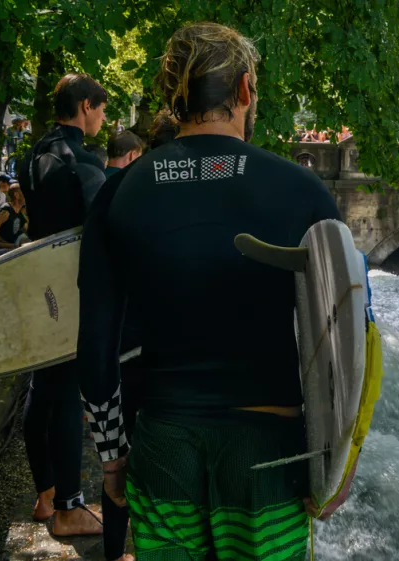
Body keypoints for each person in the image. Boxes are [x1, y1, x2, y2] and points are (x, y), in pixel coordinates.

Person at [77, 23, 347, 560]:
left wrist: (112, 458)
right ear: (245, 89)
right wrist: (339, 461)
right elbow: (343, 339)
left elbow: (95, 345)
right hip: (266, 456)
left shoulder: (120, 192)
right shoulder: (301, 192)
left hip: (164, 446)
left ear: (174, 98)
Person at [16, 73, 109, 538]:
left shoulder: (31, 154)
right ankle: (71, 509)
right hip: (67, 292)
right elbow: (100, 231)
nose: (103, 118)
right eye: (103, 109)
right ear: (86, 106)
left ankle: (46, 494)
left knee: (41, 387)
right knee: (67, 398)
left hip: (35, 285)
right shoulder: (81, 160)